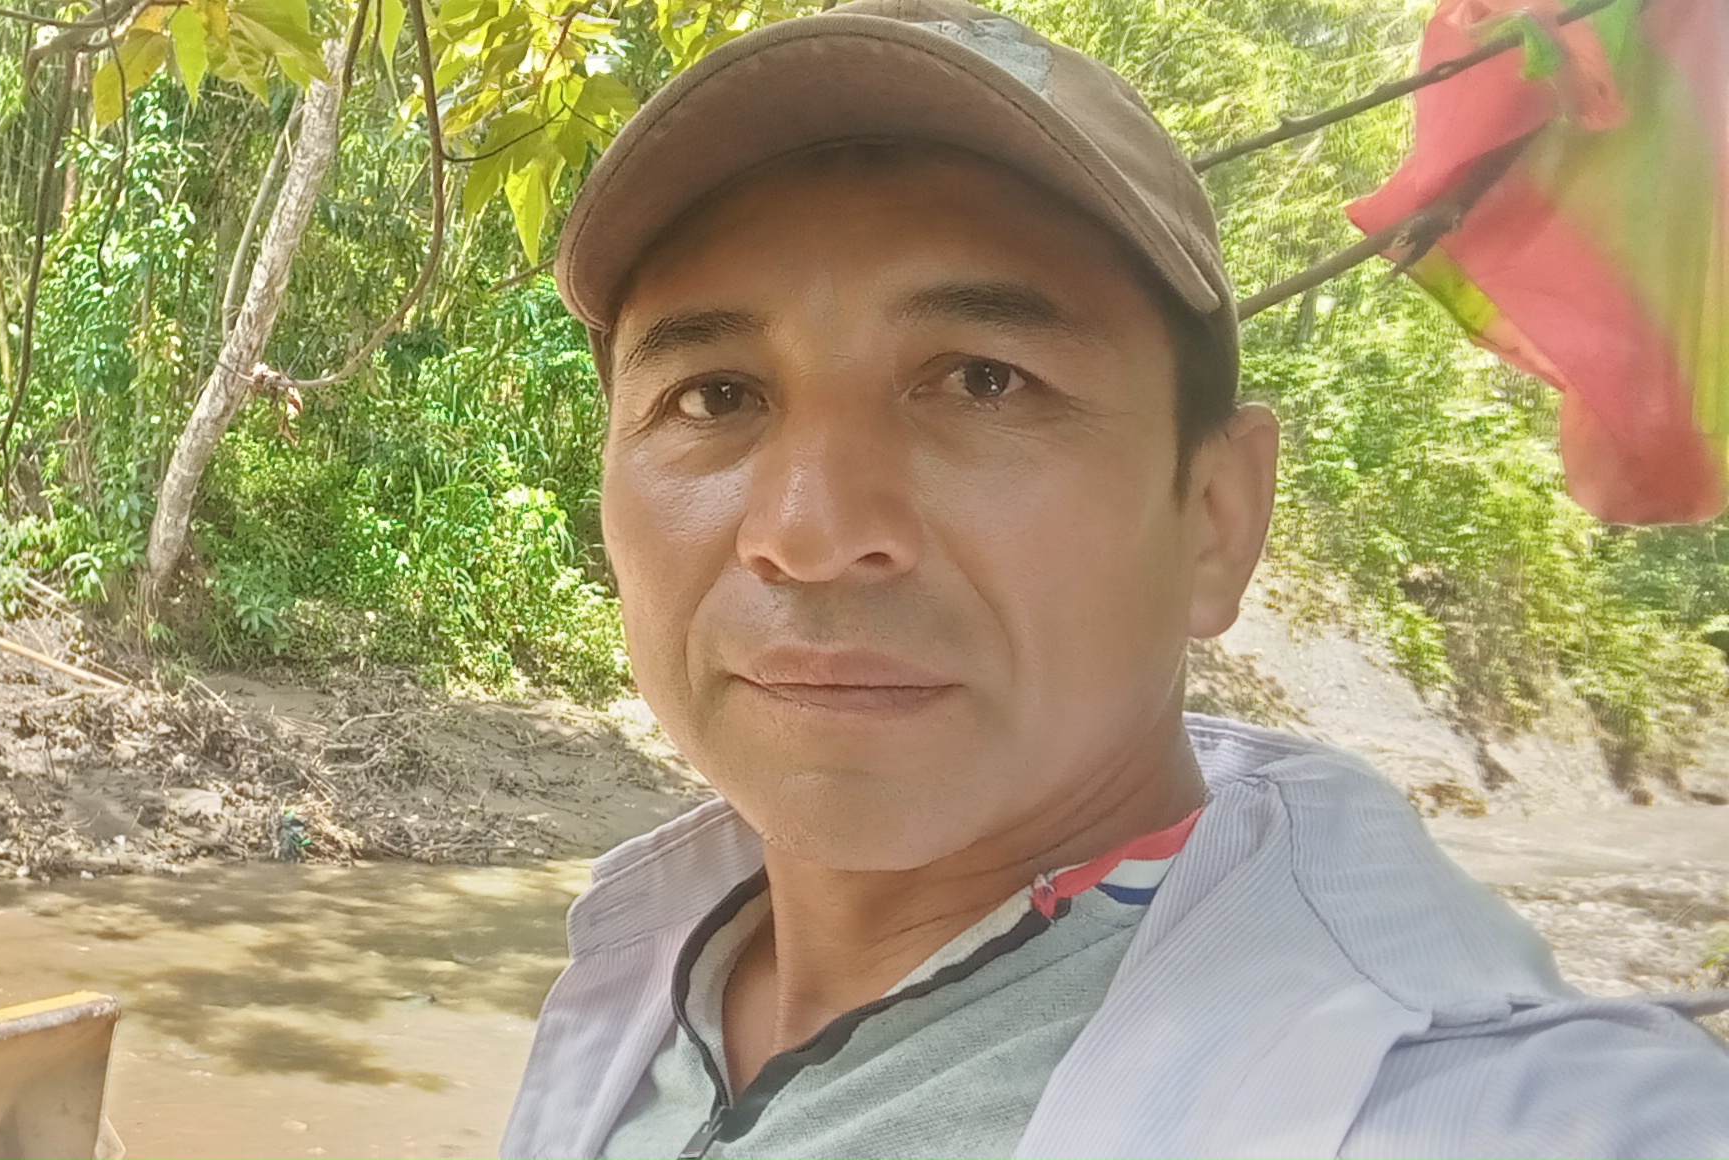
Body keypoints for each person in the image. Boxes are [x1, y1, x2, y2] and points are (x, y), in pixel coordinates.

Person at [502, 2, 1729, 1157]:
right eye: (714, 395)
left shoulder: (1478, 1102)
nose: (810, 532)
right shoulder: (650, 955)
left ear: (1216, 519)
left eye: (983, 380)